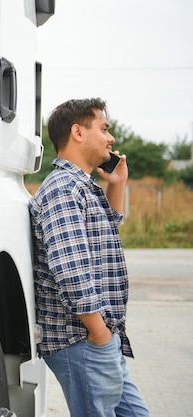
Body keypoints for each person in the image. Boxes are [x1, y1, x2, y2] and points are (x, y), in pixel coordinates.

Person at [29, 98, 149, 417]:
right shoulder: (63, 190)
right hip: (82, 340)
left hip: (97, 336)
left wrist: (117, 184)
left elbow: (105, 230)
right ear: (78, 132)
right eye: (104, 128)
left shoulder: (80, 185)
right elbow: (72, 273)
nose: (111, 138)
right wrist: (99, 334)